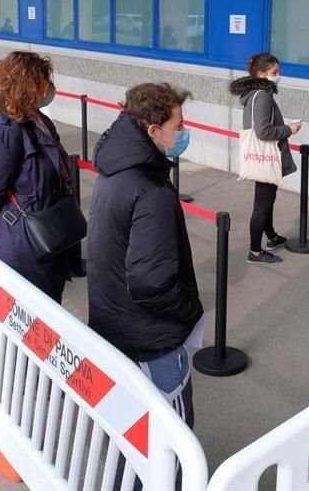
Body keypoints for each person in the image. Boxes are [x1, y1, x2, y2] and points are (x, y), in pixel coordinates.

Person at [87, 82, 203, 427]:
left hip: (116, 325)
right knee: (172, 436)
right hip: (150, 340)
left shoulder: (116, 168)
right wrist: (190, 312)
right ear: (153, 130)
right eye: (178, 126)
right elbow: (152, 283)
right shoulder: (152, 190)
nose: (183, 132)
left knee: (131, 432)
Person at [0, 52, 74, 303]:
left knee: (51, 303)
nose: (49, 87)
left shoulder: (37, 119)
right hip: (25, 234)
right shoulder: (7, 129)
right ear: (28, 85)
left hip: (48, 227)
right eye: (43, 80)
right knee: (31, 307)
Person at [229, 53, 302, 264]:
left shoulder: (253, 93)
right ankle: (255, 251)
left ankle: (271, 237)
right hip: (266, 155)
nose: (278, 76)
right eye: (274, 73)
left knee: (267, 200)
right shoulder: (262, 95)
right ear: (261, 74)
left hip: (261, 155)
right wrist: (289, 129)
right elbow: (263, 132)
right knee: (262, 205)